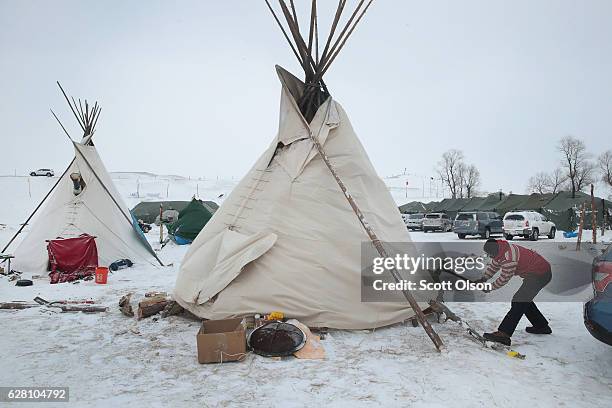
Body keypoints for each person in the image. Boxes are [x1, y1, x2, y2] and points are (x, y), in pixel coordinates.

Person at [475, 238, 552, 346]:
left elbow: (503, 279)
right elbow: (494, 265)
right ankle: (542, 326)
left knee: (519, 300)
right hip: (536, 272)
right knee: (524, 300)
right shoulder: (501, 249)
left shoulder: (509, 259)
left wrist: (489, 287)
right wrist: (483, 278)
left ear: (495, 252)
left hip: (540, 274)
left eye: (490, 255)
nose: (489, 257)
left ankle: (504, 334)